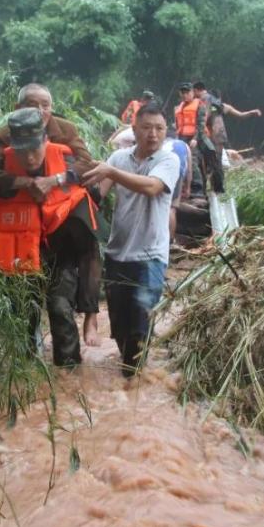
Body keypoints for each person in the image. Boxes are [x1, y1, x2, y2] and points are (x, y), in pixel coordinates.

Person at [0, 83, 102, 346]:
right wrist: (25, 183)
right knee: (25, 301)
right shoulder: (6, 133)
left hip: (62, 214)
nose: (40, 111)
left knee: (87, 236)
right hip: (24, 220)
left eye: (45, 105)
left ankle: (90, 314)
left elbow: (86, 164)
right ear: (18, 109)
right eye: (33, 105)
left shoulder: (65, 130)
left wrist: (54, 180)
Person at [82, 103, 180, 377]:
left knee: (140, 321)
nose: (153, 134)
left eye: (159, 128)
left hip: (150, 257)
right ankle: (130, 368)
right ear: (134, 129)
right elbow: (97, 196)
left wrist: (111, 173)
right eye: (147, 127)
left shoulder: (168, 160)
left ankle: (132, 380)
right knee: (119, 324)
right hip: (117, 254)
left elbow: (152, 187)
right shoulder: (118, 158)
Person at [193, 81, 262, 179]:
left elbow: (203, 118)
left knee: (205, 162)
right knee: (217, 162)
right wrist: (252, 112)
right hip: (220, 135)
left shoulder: (203, 101)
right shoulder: (223, 106)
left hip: (208, 136)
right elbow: (241, 115)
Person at [174, 82, 220, 195]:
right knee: (180, 161)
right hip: (182, 138)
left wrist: (195, 138)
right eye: (183, 92)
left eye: (187, 92)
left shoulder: (199, 104)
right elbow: (178, 125)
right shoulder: (179, 107)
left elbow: (201, 124)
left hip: (196, 138)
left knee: (194, 161)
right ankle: (183, 188)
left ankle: (198, 189)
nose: (185, 95)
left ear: (192, 92)